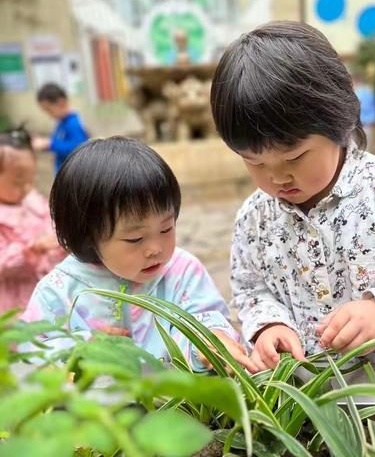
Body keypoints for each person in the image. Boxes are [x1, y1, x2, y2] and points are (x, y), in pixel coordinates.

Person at [210, 21, 375, 371]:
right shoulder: (254, 218)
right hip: (303, 395)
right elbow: (251, 289)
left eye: (295, 157)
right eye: (254, 162)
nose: (277, 176)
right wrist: (269, 325)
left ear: (339, 118)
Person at [22, 136, 257, 373]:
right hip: (99, 409)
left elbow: (205, 316)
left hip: (177, 405)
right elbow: (31, 352)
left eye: (166, 228)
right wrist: (82, 347)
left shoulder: (181, 271)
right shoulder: (60, 290)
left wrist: (209, 341)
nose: (156, 248)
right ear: (88, 236)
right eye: (135, 239)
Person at [0, 127, 64, 314]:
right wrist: (31, 250)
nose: (27, 188)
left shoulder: (33, 200)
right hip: (15, 301)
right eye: (18, 183)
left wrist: (62, 242)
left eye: (30, 180)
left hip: (48, 290)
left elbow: (53, 226)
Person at [33, 83, 89, 172]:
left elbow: (79, 149)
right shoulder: (61, 123)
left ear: (61, 103)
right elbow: (59, 142)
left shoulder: (73, 124)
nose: (49, 115)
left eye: (49, 110)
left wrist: (50, 144)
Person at [353, 70, 375, 151]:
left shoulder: (355, 93)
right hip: (369, 125)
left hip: (357, 127)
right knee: (366, 152)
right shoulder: (370, 92)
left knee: (355, 152)